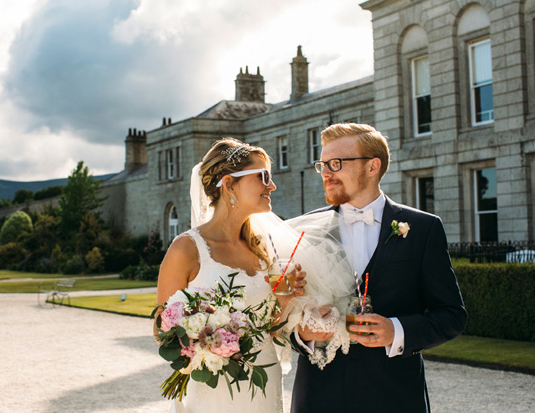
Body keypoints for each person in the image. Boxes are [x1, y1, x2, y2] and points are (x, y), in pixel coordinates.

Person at [290, 123, 467, 413]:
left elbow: (451, 316)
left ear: (372, 167)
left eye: (336, 163)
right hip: (318, 397)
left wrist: (395, 331)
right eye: (322, 164)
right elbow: (280, 315)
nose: (325, 172)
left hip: (394, 396)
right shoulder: (302, 231)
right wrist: (304, 334)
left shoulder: (424, 228)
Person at [155, 138, 307, 413]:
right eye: (263, 177)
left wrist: (284, 299)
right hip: (212, 391)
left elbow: (268, 330)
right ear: (228, 185)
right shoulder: (187, 249)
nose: (271, 185)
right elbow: (160, 328)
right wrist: (203, 336)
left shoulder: (263, 249)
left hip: (263, 379)